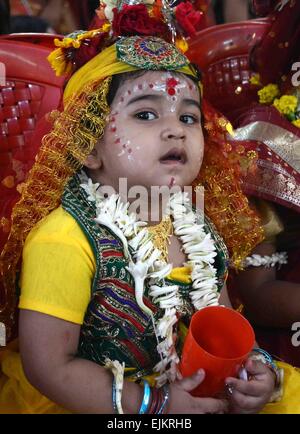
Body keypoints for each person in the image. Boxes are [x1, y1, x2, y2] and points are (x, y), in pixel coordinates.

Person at [0, 0, 289, 414]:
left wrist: (254, 369)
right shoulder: (64, 239)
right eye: (147, 113)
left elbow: (222, 322)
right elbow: (48, 368)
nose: (175, 129)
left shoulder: (194, 222)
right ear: (90, 147)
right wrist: (155, 406)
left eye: (188, 118)